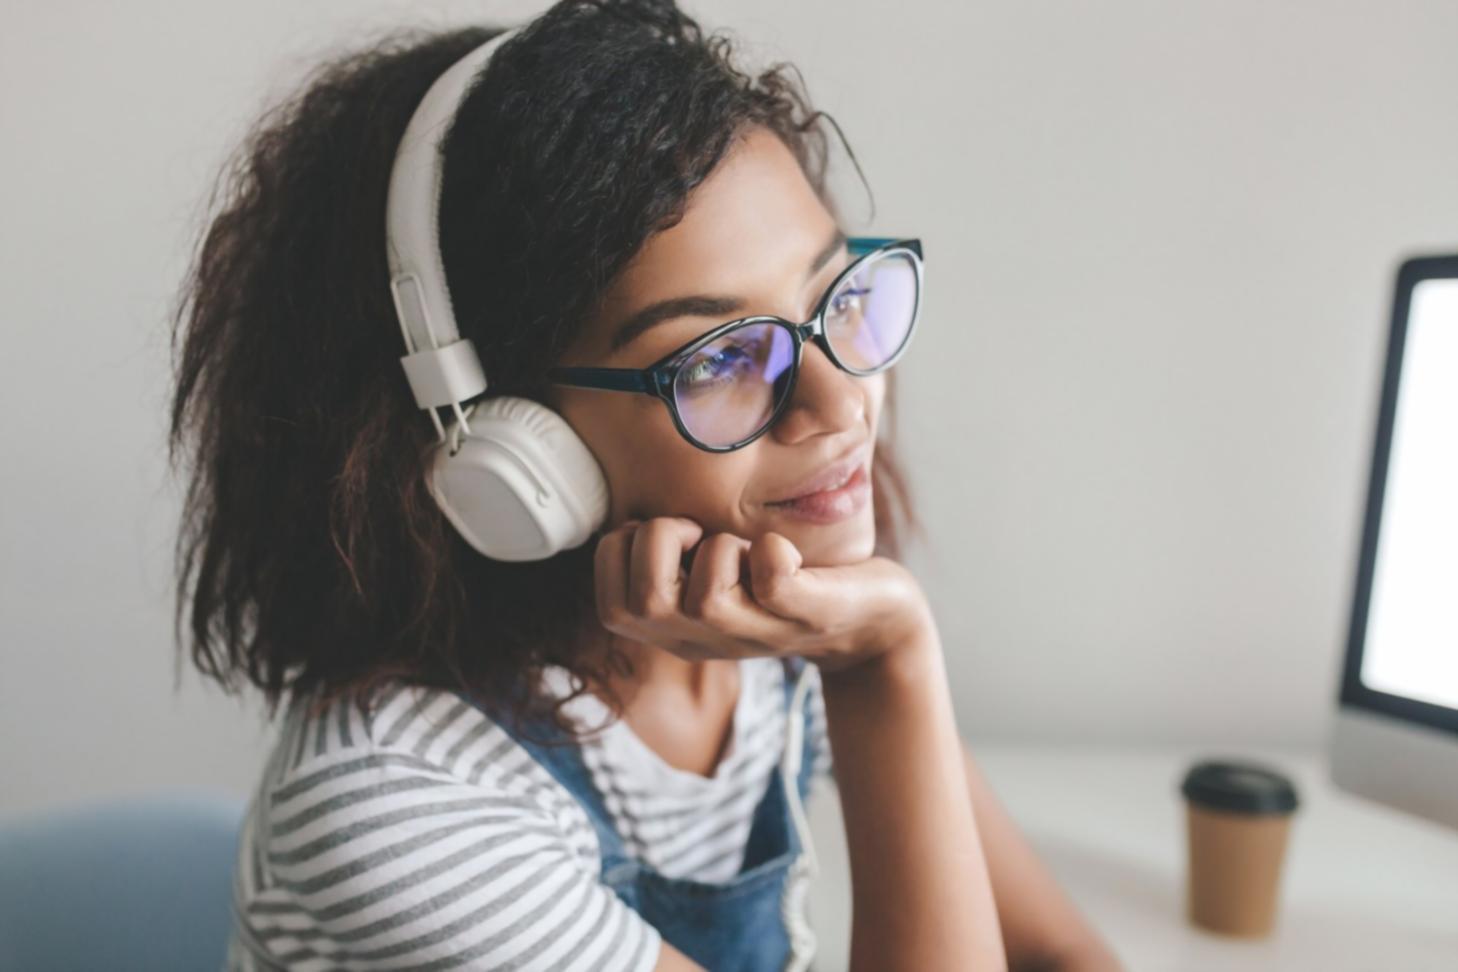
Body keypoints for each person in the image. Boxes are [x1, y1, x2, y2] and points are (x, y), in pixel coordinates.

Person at [167, 1, 1123, 969]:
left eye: (833, 295)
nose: (841, 404)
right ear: (513, 443)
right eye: (722, 359)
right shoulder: (395, 801)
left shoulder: (760, 620)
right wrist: (883, 664)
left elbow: (1064, 956)